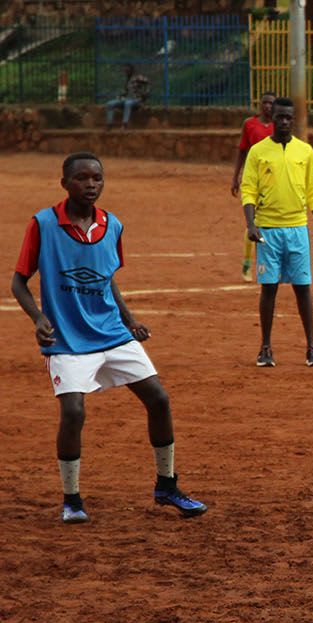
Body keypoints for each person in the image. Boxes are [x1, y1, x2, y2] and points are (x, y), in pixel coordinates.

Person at [11, 152, 209, 524]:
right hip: (66, 339)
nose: (90, 185)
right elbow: (19, 281)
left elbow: (106, 278)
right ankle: (72, 499)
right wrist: (38, 318)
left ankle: (166, 486)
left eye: (97, 179)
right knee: (73, 412)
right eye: (81, 178)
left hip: (112, 333)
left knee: (159, 399)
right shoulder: (43, 224)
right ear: (64, 183)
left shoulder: (112, 225)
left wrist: (130, 319)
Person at [240, 98, 313, 368]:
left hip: (298, 227)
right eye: (280, 117)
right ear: (272, 119)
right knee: (269, 288)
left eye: (289, 117)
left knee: (303, 288)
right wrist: (251, 224)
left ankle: (312, 347)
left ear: (293, 119)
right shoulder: (258, 151)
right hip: (267, 229)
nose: (285, 122)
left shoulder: (306, 152)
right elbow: (248, 189)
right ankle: (265, 347)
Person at [231, 91, 277, 282]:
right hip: (255, 179)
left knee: (272, 221)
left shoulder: (279, 126)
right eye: (264, 103)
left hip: (274, 180)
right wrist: (236, 177)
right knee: (254, 220)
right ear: (260, 105)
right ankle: (248, 265)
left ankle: (266, 265)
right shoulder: (250, 124)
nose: (267, 106)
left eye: (271, 103)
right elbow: (242, 151)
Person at [104, 65, 149, 131]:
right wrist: (120, 96)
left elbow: (148, 82)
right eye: (125, 71)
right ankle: (109, 124)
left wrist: (146, 93)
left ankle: (124, 125)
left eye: (127, 71)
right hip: (127, 99)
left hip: (136, 100)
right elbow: (126, 92)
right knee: (110, 104)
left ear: (131, 71)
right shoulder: (127, 80)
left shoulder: (137, 77)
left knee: (127, 103)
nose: (126, 72)